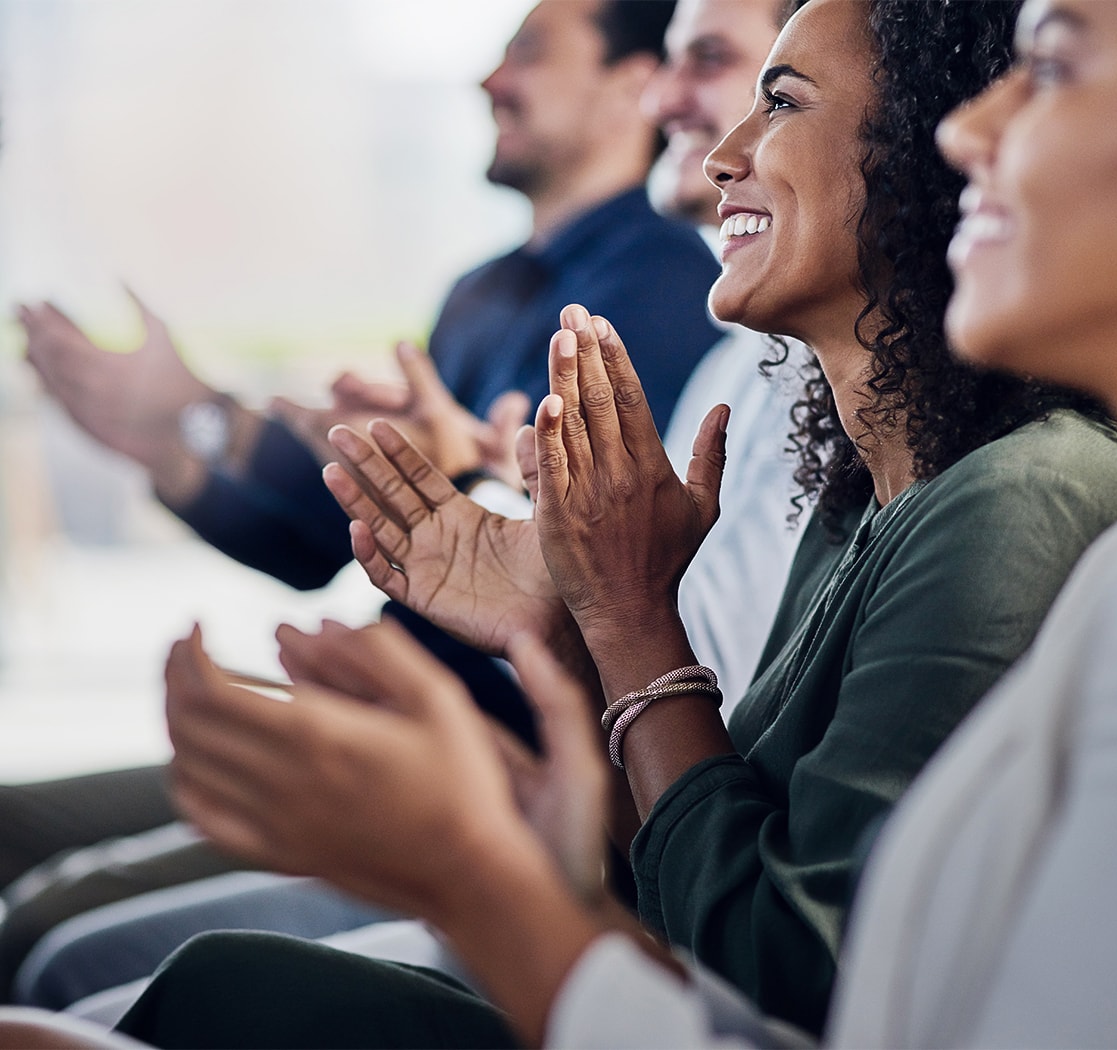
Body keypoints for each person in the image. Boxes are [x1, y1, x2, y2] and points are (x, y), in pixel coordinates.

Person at [100, 0, 1117, 1046]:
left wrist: (624, 620)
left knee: (214, 986)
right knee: (215, 981)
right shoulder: (868, 494)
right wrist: (564, 631)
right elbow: (685, 886)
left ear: (929, 147)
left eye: (777, 103)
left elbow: (787, 977)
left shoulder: (1018, 496)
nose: (726, 153)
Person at [3, 0, 807, 1017]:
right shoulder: (492, 291)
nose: (490, 81)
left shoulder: (667, 300)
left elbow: (606, 570)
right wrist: (179, 434)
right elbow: (316, 526)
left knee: (63, 943)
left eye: (529, 51)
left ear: (626, 82)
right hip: (435, 748)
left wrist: (471, 484)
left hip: (502, 773)